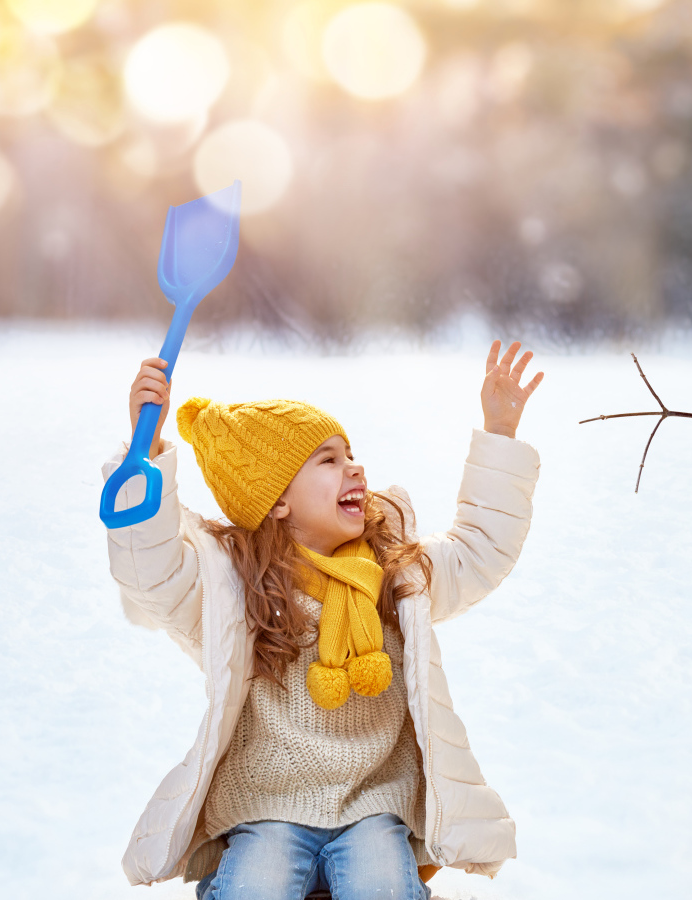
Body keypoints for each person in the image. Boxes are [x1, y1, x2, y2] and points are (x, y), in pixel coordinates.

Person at [102, 341, 544, 900]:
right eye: (327, 461)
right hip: (265, 807)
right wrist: (149, 451)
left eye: (350, 453)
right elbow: (152, 573)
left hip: (374, 806)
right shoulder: (236, 586)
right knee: (254, 889)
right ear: (277, 502)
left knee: (381, 885)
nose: (353, 467)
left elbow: (479, 549)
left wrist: (499, 432)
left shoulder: (396, 571)